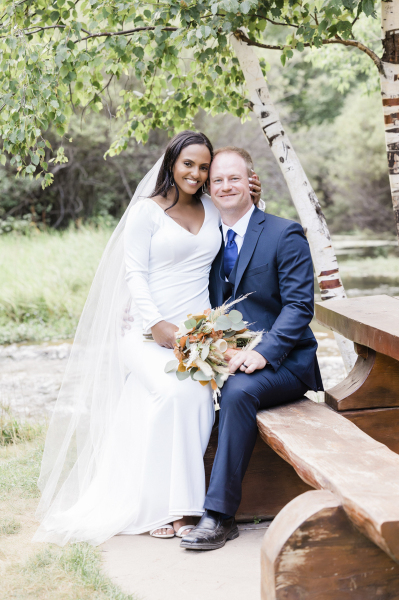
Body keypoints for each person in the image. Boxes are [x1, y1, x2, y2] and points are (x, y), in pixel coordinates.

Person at [33, 131, 261, 545]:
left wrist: (253, 195)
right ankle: (178, 511)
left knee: (174, 399)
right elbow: (135, 273)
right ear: (171, 163)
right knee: (178, 394)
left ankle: (170, 504)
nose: (196, 173)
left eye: (204, 166)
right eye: (188, 163)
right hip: (144, 332)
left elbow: (243, 233)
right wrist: (156, 323)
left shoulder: (212, 208)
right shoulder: (146, 212)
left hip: (196, 334)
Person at [180, 147, 323, 551]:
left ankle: (219, 516)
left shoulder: (283, 233)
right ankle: (172, 503)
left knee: (239, 393)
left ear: (250, 182)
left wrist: (263, 352)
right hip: (226, 356)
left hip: (285, 362)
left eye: (234, 178)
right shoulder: (207, 240)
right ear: (209, 188)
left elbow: (299, 306)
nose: (226, 186)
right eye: (218, 179)